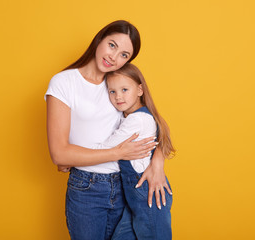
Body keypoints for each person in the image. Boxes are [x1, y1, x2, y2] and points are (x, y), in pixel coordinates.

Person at [45, 20, 170, 240]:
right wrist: (118, 153)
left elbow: (151, 124)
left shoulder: (118, 84)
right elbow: (59, 154)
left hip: (126, 186)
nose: (114, 57)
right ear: (99, 39)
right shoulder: (64, 83)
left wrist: (157, 162)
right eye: (112, 45)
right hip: (87, 189)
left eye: (124, 55)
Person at [92, 63, 175, 239]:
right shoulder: (131, 117)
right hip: (135, 200)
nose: (118, 97)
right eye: (112, 91)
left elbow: (104, 149)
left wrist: (69, 157)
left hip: (149, 197)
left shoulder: (136, 121)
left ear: (139, 90)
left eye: (124, 89)